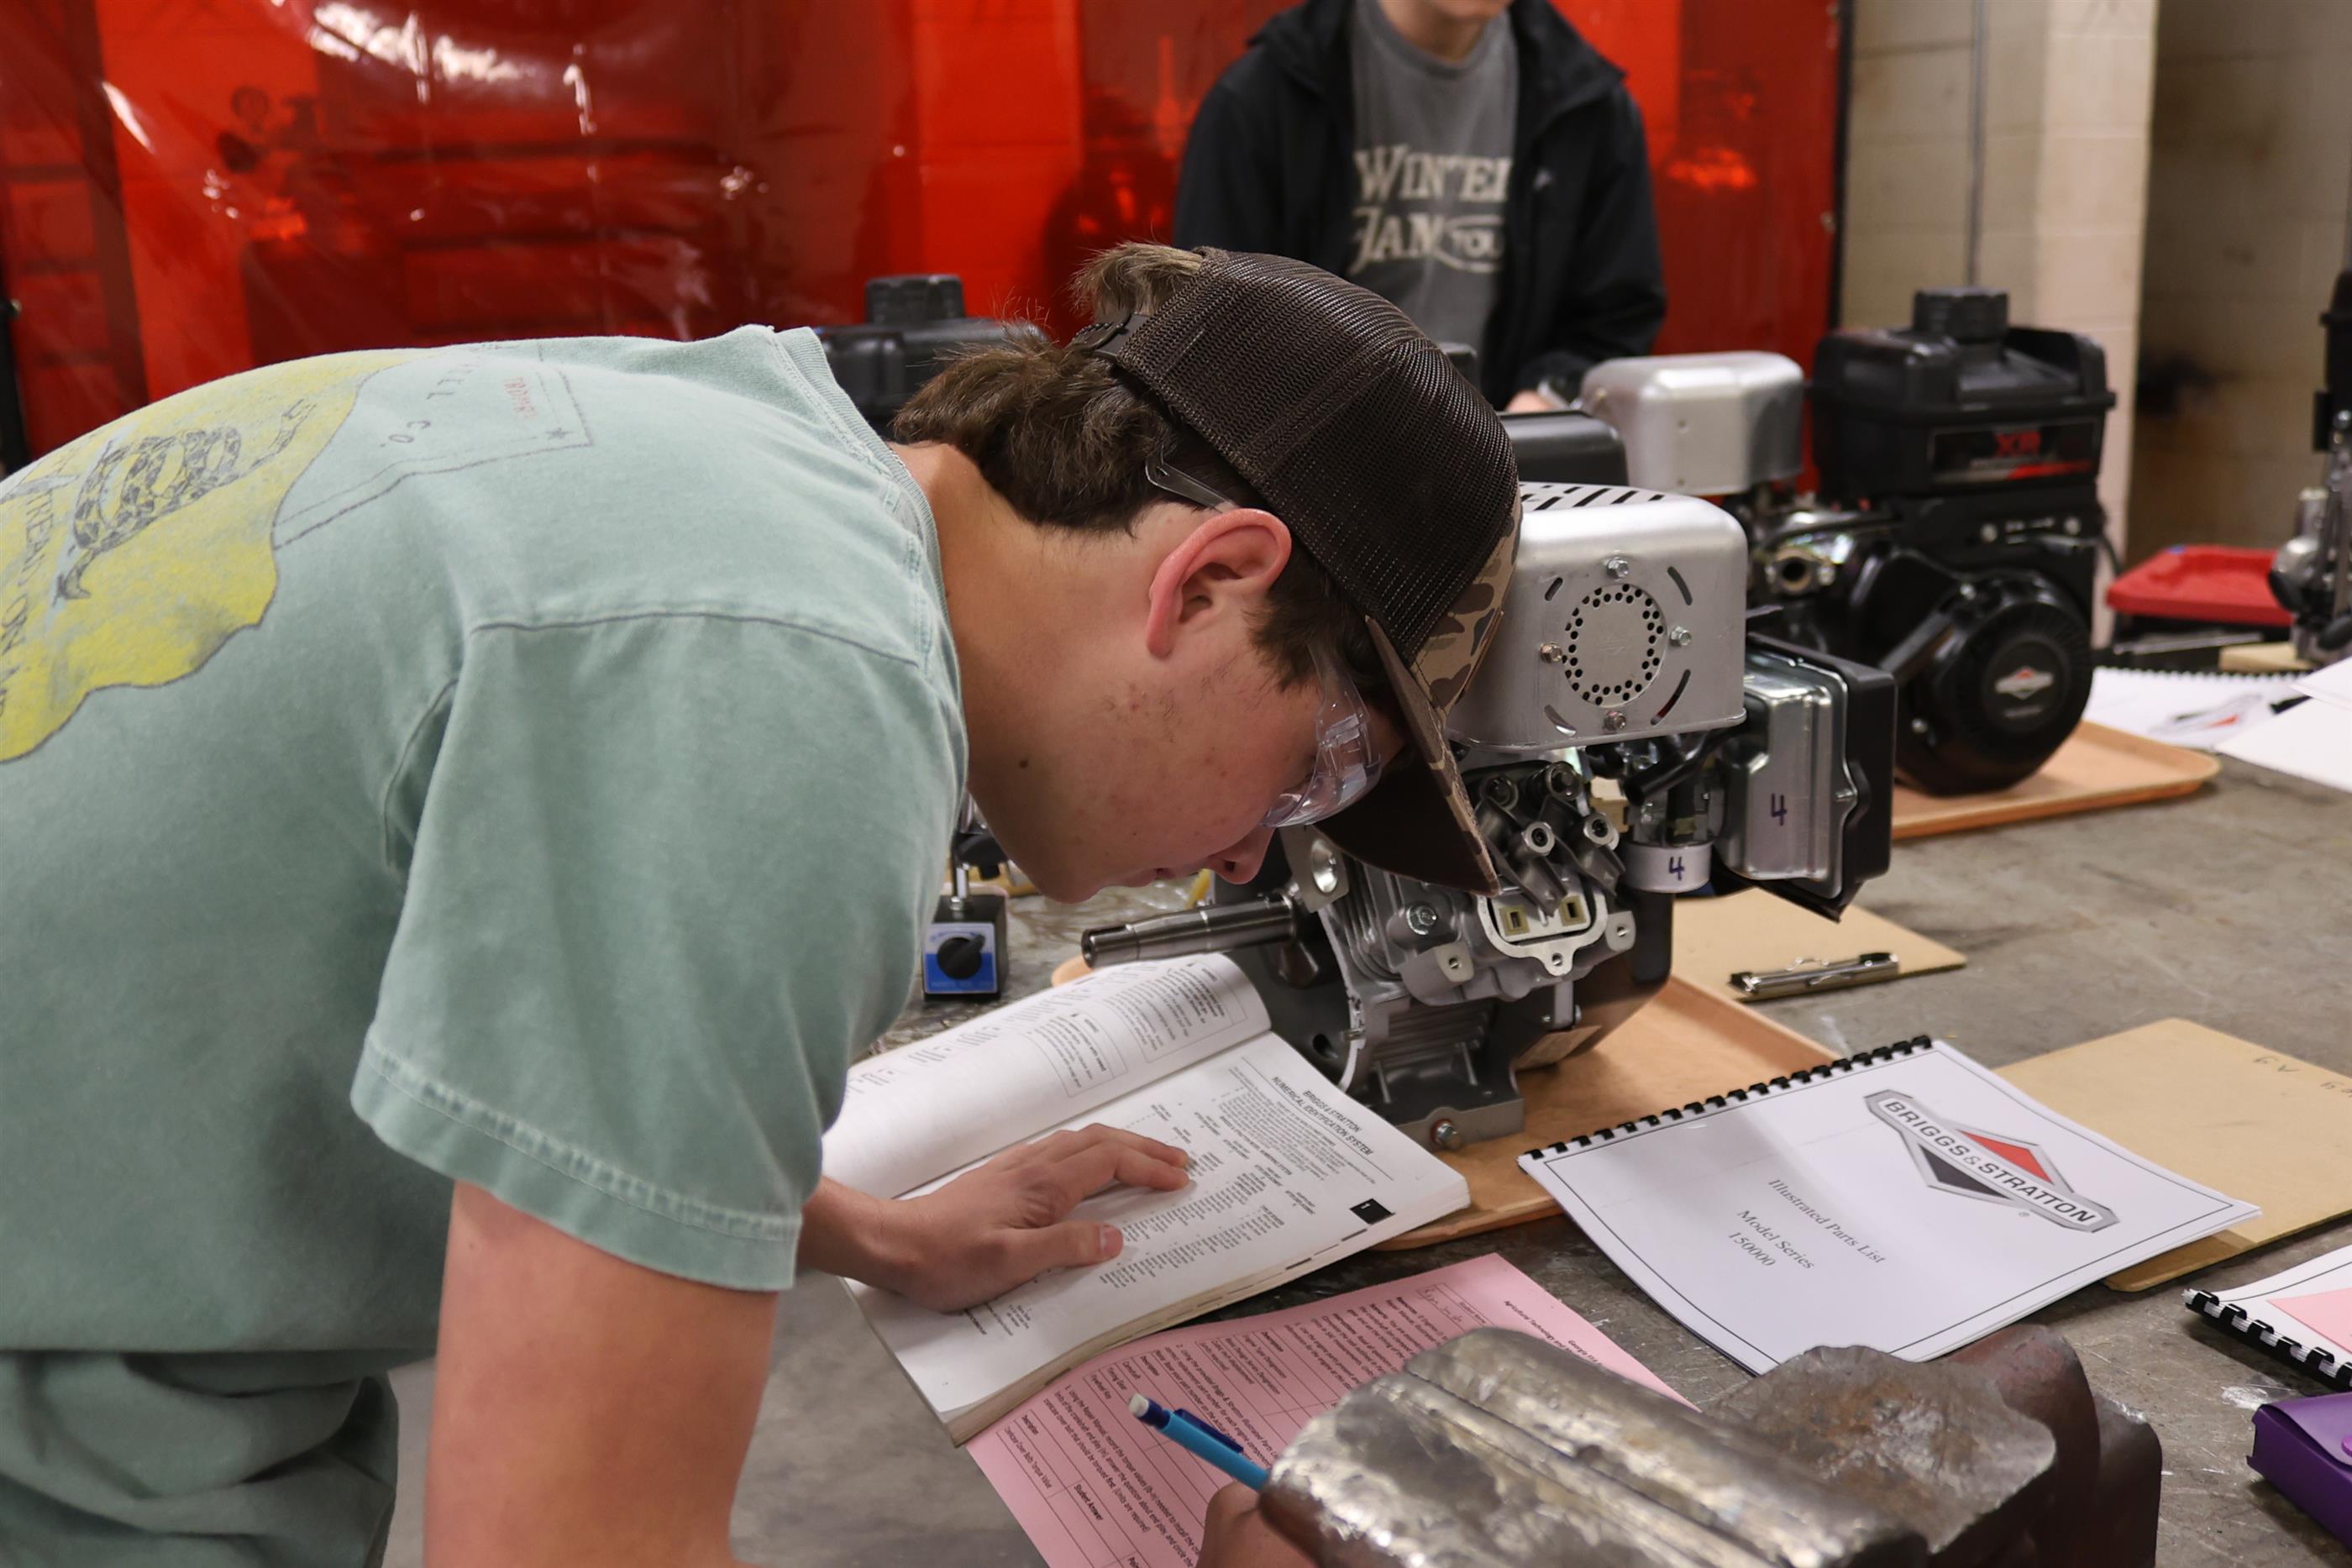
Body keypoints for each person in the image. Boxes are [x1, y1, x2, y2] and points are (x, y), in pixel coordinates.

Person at [0, 243, 1520, 1566]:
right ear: (1208, 581)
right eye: (1322, 766)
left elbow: (525, 1022)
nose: (1254, 854)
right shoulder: (790, 695)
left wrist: (860, 1232)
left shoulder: (729, 457)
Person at [1173, 0, 1666, 412]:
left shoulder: (1590, 106)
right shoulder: (1262, 99)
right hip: (1305, 474)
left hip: (1514, 471)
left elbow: (1615, 318)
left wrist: (1544, 400)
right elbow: (1210, 327)